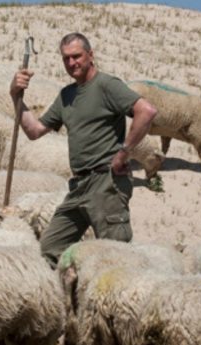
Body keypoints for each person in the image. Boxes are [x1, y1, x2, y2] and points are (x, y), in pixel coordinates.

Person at [9, 32, 157, 268]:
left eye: (76, 56)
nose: (71, 63)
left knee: (116, 257)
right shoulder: (67, 95)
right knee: (49, 249)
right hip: (78, 186)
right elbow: (34, 130)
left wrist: (123, 153)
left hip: (106, 182)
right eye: (66, 58)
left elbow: (146, 111)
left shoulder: (107, 85)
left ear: (90, 55)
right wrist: (16, 96)